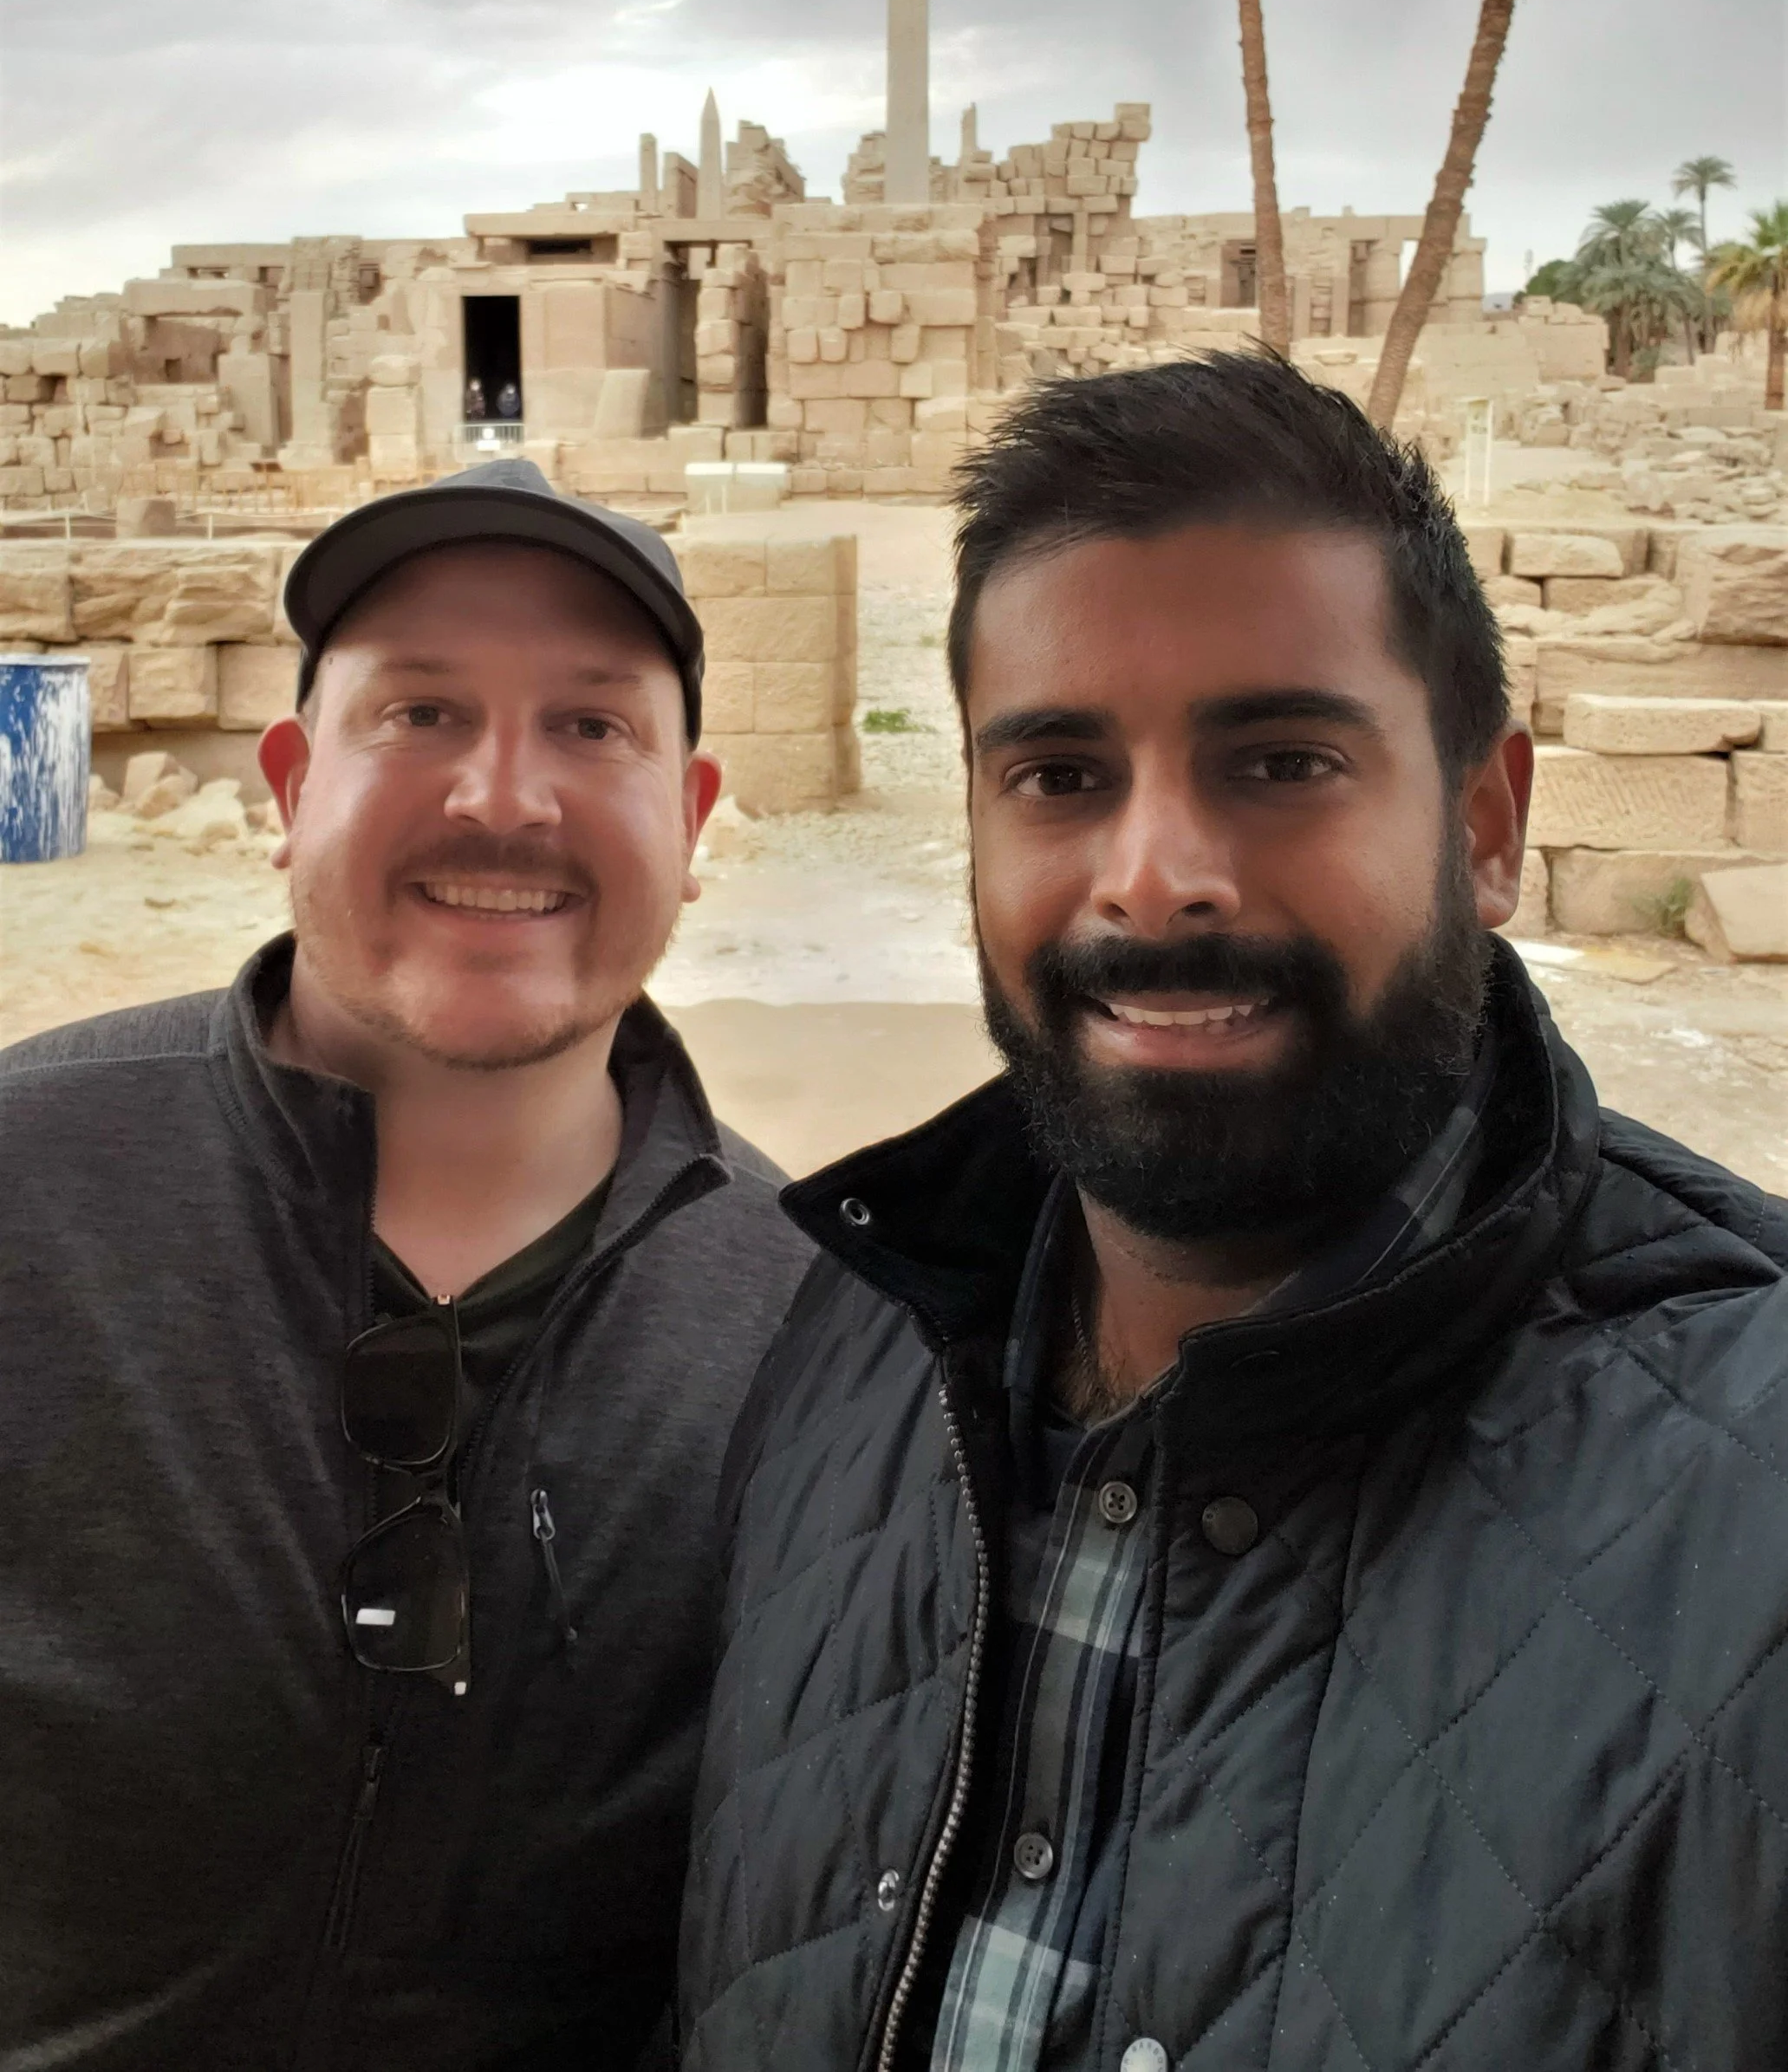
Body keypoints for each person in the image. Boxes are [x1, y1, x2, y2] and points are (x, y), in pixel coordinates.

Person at [679, 354, 1788, 2072]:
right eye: (1058, 775)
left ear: (1483, 827)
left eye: (1278, 760)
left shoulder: (1746, 1507)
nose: (1155, 875)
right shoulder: (849, 1343)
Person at [0, 458, 811, 2072]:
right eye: (421, 711)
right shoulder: (30, 1190)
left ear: (691, 817)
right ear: (291, 781)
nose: (504, 796)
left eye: (592, 725)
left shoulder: (813, 1334)